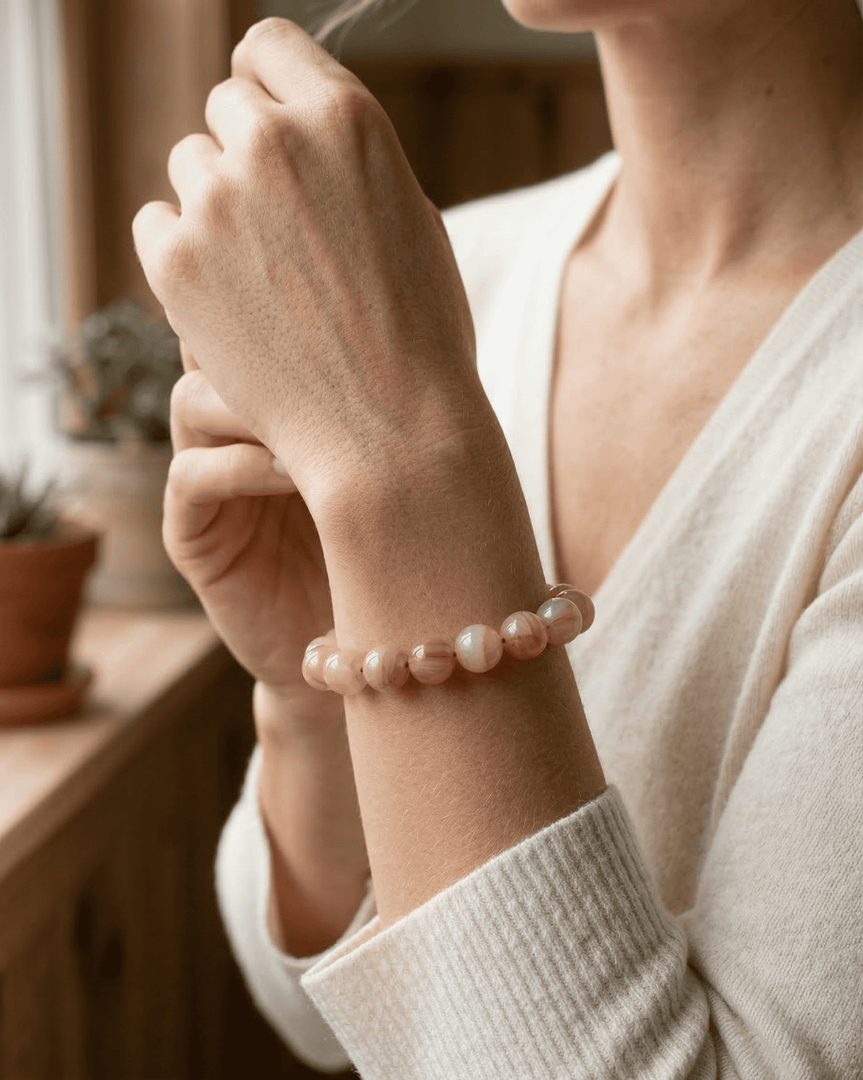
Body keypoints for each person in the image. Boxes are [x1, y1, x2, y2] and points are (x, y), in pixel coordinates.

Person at [133, 0, 863, 1075]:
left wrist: (402, 475)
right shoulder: (447, 274)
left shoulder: (396, 355)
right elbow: (320, 1014)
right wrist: (311, 695)